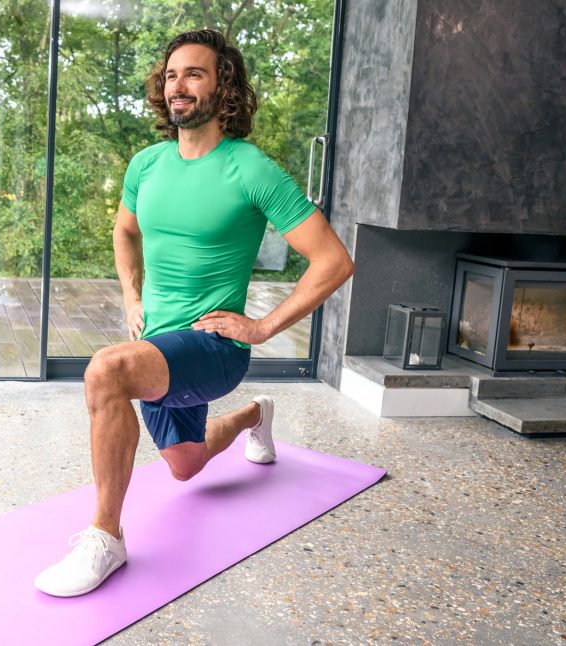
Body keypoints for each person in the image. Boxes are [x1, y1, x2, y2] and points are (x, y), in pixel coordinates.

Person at [34, 29, 354, 597]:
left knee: (107, 370)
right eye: (171, 75)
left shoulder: (252, 169)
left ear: (223, 87)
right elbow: (125, 230)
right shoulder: (147, 164)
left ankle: (106, 538)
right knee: (185, 465)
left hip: (212, 347)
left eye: (194, 74)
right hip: (159, 347)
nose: (178, 85)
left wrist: (262, 327)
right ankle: (256, 414)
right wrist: (132, 297)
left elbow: (333, 261)